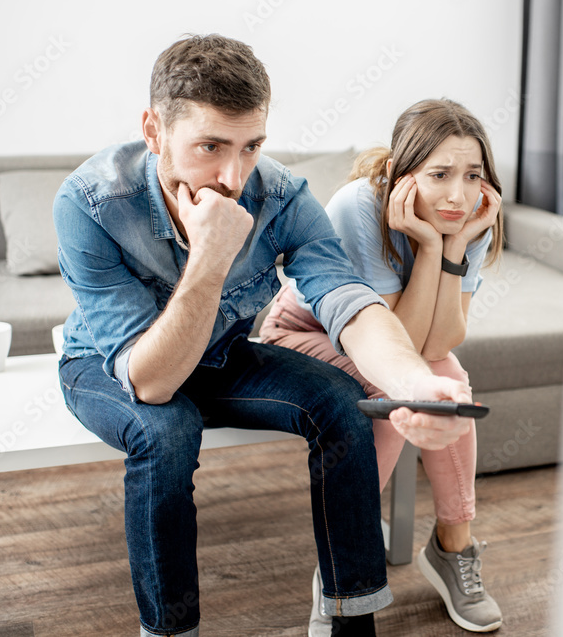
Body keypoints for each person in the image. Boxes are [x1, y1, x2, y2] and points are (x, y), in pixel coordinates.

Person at [53, 35, 473, 637]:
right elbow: (151, 381)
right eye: (210, 146)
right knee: (167, 428)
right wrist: (209, 258)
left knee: (340, 400)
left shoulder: (278, 194)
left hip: (220, 353)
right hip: (110, 365)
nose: (233, 175)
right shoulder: (90, 203)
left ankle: (348, 621)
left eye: (251, 146)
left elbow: (346, 302)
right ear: (153, 131)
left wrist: (414, 384)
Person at [260, 98, 505, 633]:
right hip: (303, 334)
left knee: (446, 381)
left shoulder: (473, 216)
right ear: (401, 173)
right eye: (439, 174)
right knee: (397, 387)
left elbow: (440, 340)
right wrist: (422, 240)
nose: (458, 194)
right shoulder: (358, 206)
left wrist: (452, 244)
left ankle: (453, 544)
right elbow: (398, 344)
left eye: (472, 175)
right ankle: (345, 560)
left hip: (394, 347)